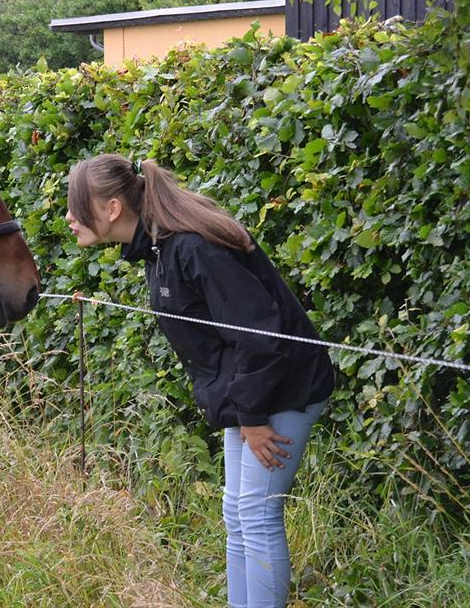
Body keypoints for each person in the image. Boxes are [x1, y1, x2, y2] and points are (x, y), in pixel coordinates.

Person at [65, 153, 335, 608]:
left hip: (286, 386)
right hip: (252, 388)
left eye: (76, 205)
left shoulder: (192, 247)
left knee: (257, 512)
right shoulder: (158, 248)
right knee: (237, 511)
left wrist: (250, 414)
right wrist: (242, 407)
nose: (69, 217)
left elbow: (260, 336)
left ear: (112, 208)